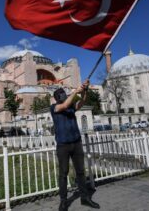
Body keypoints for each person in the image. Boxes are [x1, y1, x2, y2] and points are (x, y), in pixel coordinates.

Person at [51, 80, 100, 210]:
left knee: (80, 172)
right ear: (57, 97)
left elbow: (82, 102)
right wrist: (75, 92)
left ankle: (85, 198)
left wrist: (85, 90)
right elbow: (65, 105)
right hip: (63, 145)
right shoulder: (54, 108)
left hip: (76, 143)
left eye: (64, 94)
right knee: (63, 173)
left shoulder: (71, 105)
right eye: (62, 94)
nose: (64, 95)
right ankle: (63, 201)